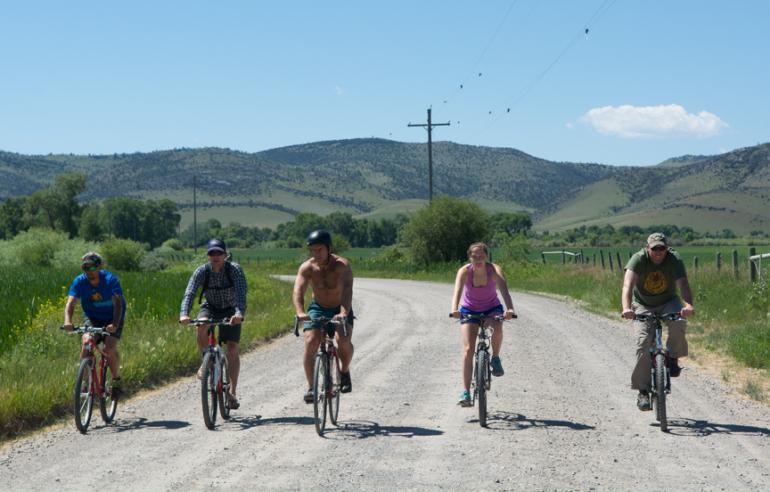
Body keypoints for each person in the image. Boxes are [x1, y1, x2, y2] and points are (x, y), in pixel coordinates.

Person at [622, 232, 695, 411]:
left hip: (669, 301)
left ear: (666, 248)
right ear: (647, 248)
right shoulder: (638, 259)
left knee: (679, 322)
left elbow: (683, 284)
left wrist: (688, 305)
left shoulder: (674, 259)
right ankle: (642, 391)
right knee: (643, 344)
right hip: (643, 303)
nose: (658, 252)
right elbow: (627, 286)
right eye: (655, 248)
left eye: (662, 248)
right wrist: (626, 308)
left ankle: (673, 358)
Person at [179, 239, 247, 410]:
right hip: (210, 307)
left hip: (231, 309)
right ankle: (206, 361)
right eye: (212, 253)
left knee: (232, 349)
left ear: (225, 255)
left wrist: (239, 313)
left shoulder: (234, 270)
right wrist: (184, 314)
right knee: (201, 325)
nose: (215, 256)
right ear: (208, 256)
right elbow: (189, 293)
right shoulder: (202, 271)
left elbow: (241, 294)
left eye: (219, 253)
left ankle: (232, 392)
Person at [450, 242, 517, 407]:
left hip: (491, 308)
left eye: (481, 255)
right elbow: (457, 291)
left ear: (486, 256)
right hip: (469, 310)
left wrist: (509, 309)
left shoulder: (494, 270)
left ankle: (495, 358)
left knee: (497, 328)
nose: (478, 259)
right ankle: (466, 392)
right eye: (474, 256)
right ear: (469, 257)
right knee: (468, 349)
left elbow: (504, 290)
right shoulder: (464, 271)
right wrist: (454, 309)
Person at [293, 229, 355, 404]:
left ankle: (344, 371)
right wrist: (300, 311)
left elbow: (347, 291)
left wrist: (343, 313)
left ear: (329, 248)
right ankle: (311, 388)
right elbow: (298, 290)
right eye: (313, 250)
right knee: (310, 341)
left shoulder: (342, 266)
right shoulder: (307, 267)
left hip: (340, 307)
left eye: (319, 249)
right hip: (318, 308)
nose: (316, 253)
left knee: (343, 341)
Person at [63, 252, 127, 400]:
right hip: (92, 317)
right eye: (85, 268)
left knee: (109, 348)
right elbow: (71, 302)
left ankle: (116, 380)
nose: (89, 271)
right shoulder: (79, 281)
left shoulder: (110, 279)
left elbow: (117, 303)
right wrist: (67, 321)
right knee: (87, 343)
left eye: (92, 267)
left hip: (113, 316)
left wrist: (114, 324)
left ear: (99, 267)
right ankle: (85, 383)